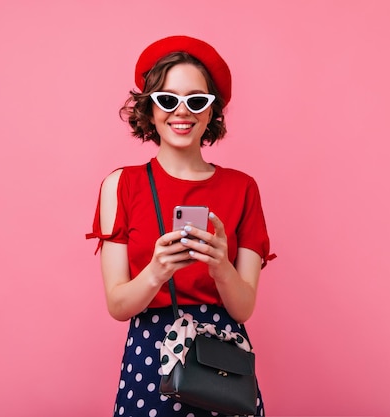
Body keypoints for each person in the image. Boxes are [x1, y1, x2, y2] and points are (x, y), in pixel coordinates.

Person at [87, 35, 275, 417]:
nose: (181, 111)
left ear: (211, 112)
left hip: (222, 359)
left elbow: (243, 309)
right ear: (150, 109)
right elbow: (118, 306)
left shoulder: (243, 188)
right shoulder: (120, 185)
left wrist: (221, 265)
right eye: (168, 99)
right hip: (148, 361)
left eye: (196, 100)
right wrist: (157, 270)